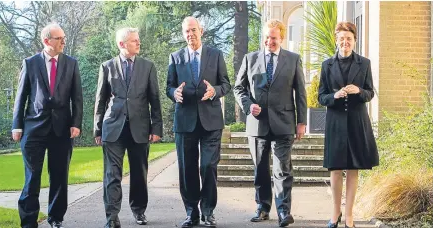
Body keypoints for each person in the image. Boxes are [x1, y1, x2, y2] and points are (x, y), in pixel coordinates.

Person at [234, 19, 307, 227]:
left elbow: (301, 93)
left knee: (282, 169)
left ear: (281, 38)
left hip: (284, 123)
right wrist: (249, 106)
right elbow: (238, 88)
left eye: (273, 38)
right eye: (266, 37)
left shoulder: (293, 60)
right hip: (257, 124)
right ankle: (263, 207)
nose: (269, 41)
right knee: (261, 169)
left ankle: (284, 212)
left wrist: (301, 121)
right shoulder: (250, 59)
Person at [11, 23, 83, 228]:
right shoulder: (30, 63)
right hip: (34, 129)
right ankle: (28, 221)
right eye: (59, 38)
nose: (63, 41)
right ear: (46, 41)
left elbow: (77, 98)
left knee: (59, 176)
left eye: (64, 37)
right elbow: (21, 96)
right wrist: (17, 125)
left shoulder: (71, 63)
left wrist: (76, 123)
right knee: (32, 177)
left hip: (62, 129)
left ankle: (56, 217)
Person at [94, 27, 163, 228]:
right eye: (134, 41)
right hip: (112, 128)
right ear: (122, 44)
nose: (138, 43)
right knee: (112, 174)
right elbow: (100, 101)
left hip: (140, 128)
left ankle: (139, 211)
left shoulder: (148, 66)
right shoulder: (107, 66)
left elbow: (155, 99)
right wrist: (97, 129)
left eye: (138, 39)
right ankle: (112, 216)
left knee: (139, 174)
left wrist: (156, 128)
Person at [166, 16, 231, 228]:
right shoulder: (175, 58)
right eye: (186, 31)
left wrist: (215, 92)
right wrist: (173, 93)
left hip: (211, 121)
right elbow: (169, 86)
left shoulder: (216, 55)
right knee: (188, 169)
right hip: (185, 121)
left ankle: (208, 211)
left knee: (208, 166)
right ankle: (191, 213)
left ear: (201, 31)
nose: (190, 35)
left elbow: (225, 84)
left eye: (193, 30)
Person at [318, 22, 379, 228]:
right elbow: (321, 96)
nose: (345, 42)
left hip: (356, 121)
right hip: (335, 122)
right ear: (337, 40)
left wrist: (359, 91)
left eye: (349, 39)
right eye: (342, 38)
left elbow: (370, 93)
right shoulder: (327, 65)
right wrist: (334, 95)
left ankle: (349, 216)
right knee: (335, 169)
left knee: (354, 169)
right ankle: (335, 214)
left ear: (354, 41)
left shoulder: (365, 63)